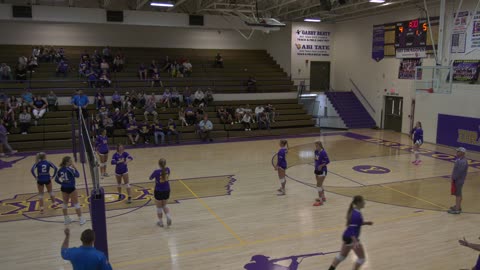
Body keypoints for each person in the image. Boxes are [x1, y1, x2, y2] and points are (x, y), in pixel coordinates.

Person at [328, 195, 373, 270]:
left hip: (347, 236)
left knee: (342, 256)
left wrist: (366, 223)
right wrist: (355, 241)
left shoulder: (355, 211)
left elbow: (356, 223)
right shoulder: (356, 214)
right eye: (363, 201)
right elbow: (352, 228)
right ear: (359, 202)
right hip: (351, 238)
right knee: (362, 259)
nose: (364, 203)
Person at [55, 156, 86, 225]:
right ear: (67, 162)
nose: (72, 162)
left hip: (64, 188)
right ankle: (81, 219)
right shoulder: (70, 169)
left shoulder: (60, 170)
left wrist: (63, 183)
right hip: (71, 188)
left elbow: (56, 179)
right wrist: (75, 167)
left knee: (65, 204)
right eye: (71, 161)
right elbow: (77, 175)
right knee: (76, 203)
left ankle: (66, 219)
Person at [149, 158, 172, 227]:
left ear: (159, 164)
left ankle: (161, 222)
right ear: (165, 164)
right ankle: (168, 216)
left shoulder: (156, 171)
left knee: (159, 207)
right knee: (164, 205)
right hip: (167, 190)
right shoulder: (168, 169)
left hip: (158, 190)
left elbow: (150, 178)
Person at [448, 147, 468, 214]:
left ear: (462, 153)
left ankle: (457, 209)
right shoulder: (459, 159)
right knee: (458, 193)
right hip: (458, 180)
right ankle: (458, 206)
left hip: (458, 180)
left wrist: (453, 178)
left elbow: (459, 172)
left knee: (458, 194)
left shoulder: (463, 162)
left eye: (458, 152)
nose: (456, 153)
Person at [313, 141, 330, 206]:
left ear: (320, 146)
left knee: (318, 185)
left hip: (322, 170)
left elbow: (328, 161)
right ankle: (323, 197)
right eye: (315, 146)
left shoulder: (323, 152)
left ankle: (320, 201)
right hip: (316, 170)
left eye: (317, 146)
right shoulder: (316, 151)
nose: (316, 147)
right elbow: (316, 159)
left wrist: (321, 165)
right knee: (320, 184)